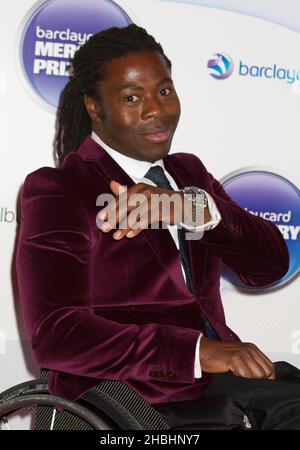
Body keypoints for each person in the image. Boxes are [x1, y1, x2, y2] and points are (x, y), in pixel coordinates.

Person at [16, 24, 300, 430]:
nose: (156, 110)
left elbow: (270, 265)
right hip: (127, 405)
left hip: (221, 393)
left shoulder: (188, 173)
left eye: (164, 91)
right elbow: (58, 336)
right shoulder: (60, 189)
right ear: (95, 108)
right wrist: (197, 352)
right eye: (132, 98)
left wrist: (193, 208)